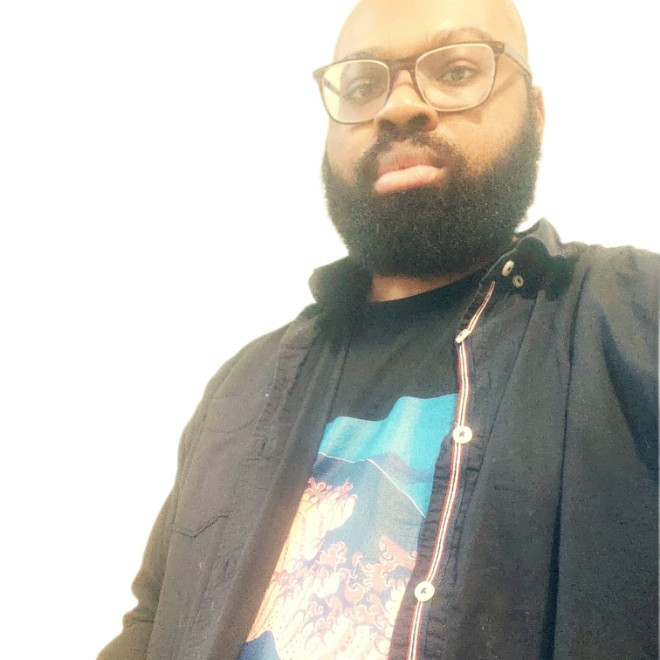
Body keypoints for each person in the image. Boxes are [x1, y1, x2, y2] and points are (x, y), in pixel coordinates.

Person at [99, 0, 658, 657]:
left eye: (455, 71)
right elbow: (154, 618)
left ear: (535, 114)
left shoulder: (637, 315)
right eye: (363, 84)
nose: (398, 106)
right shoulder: (244, 385)